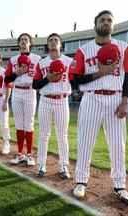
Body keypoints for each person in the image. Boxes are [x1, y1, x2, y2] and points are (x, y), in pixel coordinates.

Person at [72, 10, 128, 204]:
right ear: (95, 24)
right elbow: (75, 80)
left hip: (116, 99)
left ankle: (120, 185)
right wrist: (100, 73)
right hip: (91, 98)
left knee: (118, 144)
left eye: (110, 20)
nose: (106, 22)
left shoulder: (123, 47)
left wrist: (125, 101)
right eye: (103, 20)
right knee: (85, 141)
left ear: (113, 25)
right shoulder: (83, 50)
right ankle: (81, 181)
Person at [33, 33, 73, 179]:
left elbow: (75, 80)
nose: (53, 42)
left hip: (62, 100)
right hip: (45, 99)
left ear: (60, 44)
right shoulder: (42, 63)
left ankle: (63, 166)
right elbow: (35, 84)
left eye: (56, 40)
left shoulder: (69, 61)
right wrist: (47, 78)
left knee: (62, 135)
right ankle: (41, 165)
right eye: (50, 40)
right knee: (44, 134)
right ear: (48, 45)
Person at [4, 33, 41, 166]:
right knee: (19, 123)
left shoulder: (37, 58)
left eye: (26, 40)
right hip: (17, 91)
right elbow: (6, 79)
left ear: (30, 43)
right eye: (21, 40)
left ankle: (30, 154)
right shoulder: (13, 60)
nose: (24, 42)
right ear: (19, 44)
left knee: (29, 123)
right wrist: (16, 73)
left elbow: (40, 78)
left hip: (30, 91)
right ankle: (20, 153)